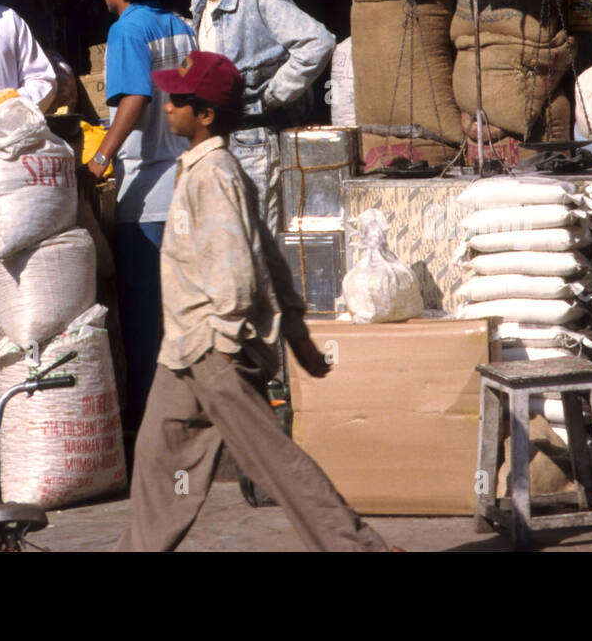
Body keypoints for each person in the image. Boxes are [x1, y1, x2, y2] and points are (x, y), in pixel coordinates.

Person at [115, 52, 391, 552]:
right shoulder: (204, 169)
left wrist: (225, 344)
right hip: (183, 352)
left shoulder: (214, 175)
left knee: (274, 462)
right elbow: (269, 252)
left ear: (205, 116)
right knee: (161, 464)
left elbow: (238, 271)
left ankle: (359, 547)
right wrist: (298, 333)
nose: (168, 106)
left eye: (178, 100)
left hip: (214, 349)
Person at [89, 0, 195, 439]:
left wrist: (98, 159)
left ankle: (152, 434)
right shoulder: (181, 25)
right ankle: (190, 424)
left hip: (146, 198)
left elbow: (134, 97)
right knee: (183, 317)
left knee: (144, 322)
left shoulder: (126, 29)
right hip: (185, 188)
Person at [186, 0, 334, 235]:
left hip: (252, 142)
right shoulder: (198, 4)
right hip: (213, 141)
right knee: (225, 243)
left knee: (256, 245)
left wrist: (272, 96)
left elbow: (318, 42)